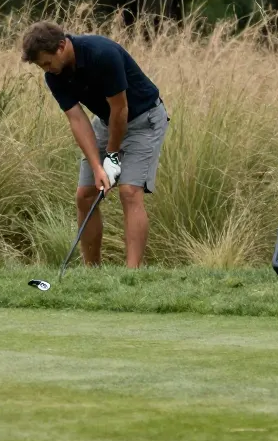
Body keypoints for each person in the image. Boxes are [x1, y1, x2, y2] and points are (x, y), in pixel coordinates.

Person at [21, 20, 169, 268]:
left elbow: (120, 110)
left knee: (129, 192)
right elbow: (77, 120)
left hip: (144, 120)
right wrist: (98, 167)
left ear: (61, 46)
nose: (46, 69)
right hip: (106, 121)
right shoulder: (54, 75)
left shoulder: (102, 54)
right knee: (85, 196)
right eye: (41, 66)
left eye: (47, 62)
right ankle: (92, 273)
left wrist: (111, 157)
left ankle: (131, 276)